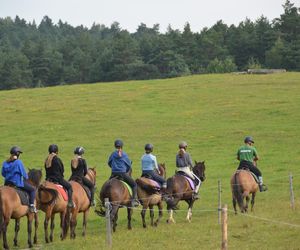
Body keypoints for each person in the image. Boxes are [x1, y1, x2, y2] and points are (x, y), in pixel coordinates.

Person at [2, 146, 37, 213]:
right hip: (17, 183)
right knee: (33, 189)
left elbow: (3, 174)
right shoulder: (18, 162)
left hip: (6, 183)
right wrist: (26, 177)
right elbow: (24, 174)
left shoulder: (5, 162)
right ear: (18, 154)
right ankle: (32, 206)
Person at [108, 139, 139, 207]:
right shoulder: (124, 154)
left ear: (115, 146)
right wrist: (125, 169)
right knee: (134, 185)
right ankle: (134, 200)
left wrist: (113, 167)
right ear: (122, 146)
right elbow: (128, 165)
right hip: (122, 174)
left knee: (107, 185)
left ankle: (104, 201)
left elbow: (109, 163)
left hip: (113, 174)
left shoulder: (113, 154)